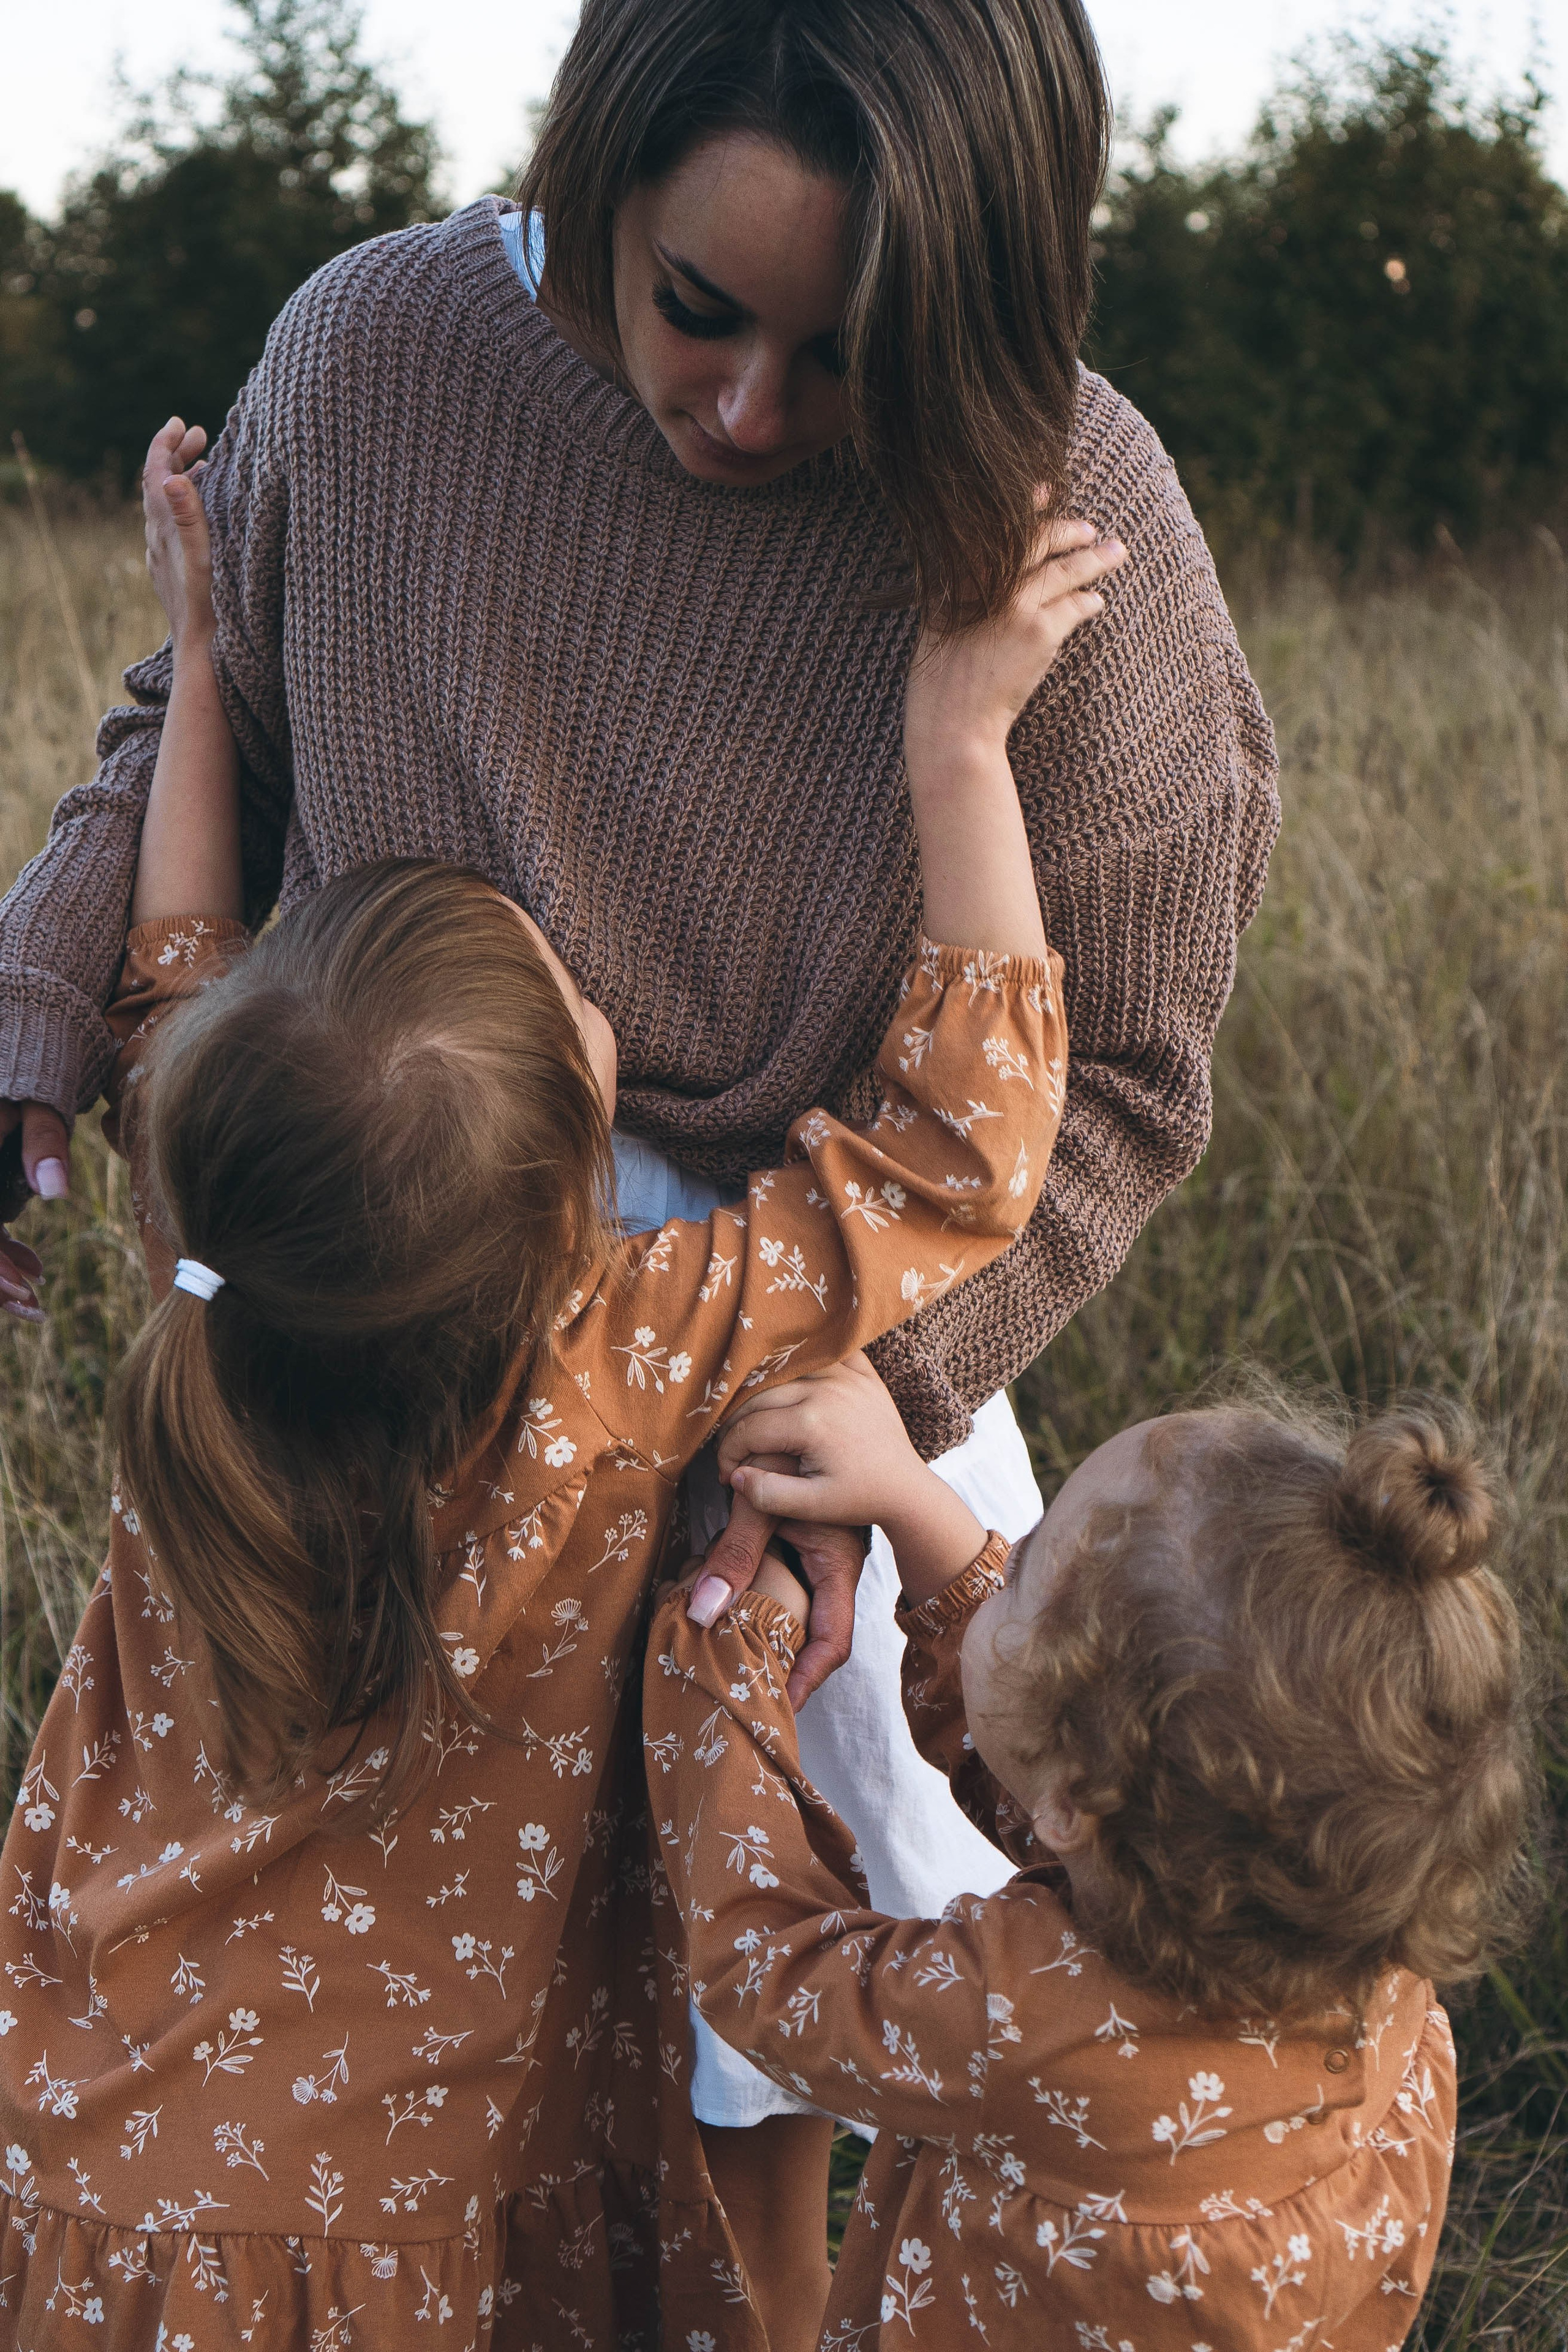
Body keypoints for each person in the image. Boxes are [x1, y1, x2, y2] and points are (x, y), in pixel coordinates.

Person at [0, 0, 1278, 2327]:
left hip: (815, 1352)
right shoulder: (378, 356)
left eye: (848, 353)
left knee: (750, 2000)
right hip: (386, 1290)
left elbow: (1111, 1082)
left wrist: (860, 1417)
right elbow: (209, 728)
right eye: (696, 309)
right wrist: (34, 999)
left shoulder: (1072, 532)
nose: (755, 414)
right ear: (594, 174)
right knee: (408, 1966)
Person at [643, 1357, 1539, 2346]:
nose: (1002, 1560)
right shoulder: (1354, 1922)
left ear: (1080, 1798)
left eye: (1020, 1570)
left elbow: (771, 1972)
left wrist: (727, 1658)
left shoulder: (1017, 2018)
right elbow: (1042, 1747)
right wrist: (903, 1494)